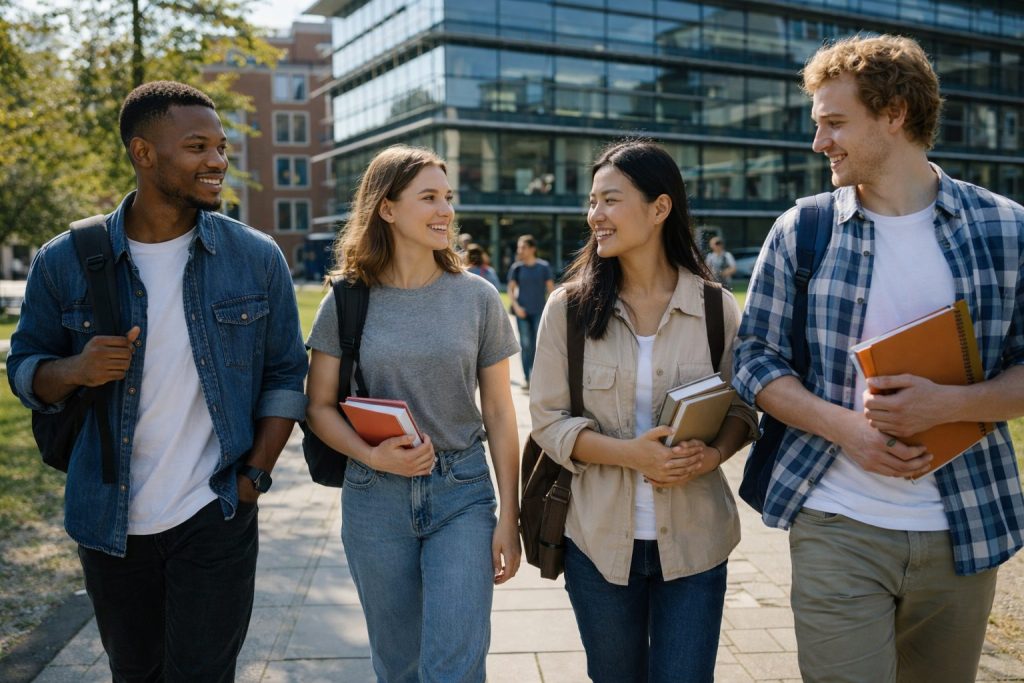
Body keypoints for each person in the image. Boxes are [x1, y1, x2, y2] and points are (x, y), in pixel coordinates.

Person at [733, 35, 1024, 683]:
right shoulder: (802, 230)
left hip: (965, 526)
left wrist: (952, 405)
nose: (820, 143)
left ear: (894, 113)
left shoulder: (1007, 230)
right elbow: (753, 359)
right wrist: (849, 431)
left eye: (835, 123)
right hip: (836, 522)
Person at [6, 81, 309, 681]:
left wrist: (253, 477)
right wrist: (75, 369)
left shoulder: (255, 257)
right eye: (198, 147)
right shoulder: (64, 260)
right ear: (143, 153)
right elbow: (24, 370)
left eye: (221, 147)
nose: (218, 161)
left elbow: (284, 373)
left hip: (216, 510)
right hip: (109, 519)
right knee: (135, 673)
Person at [529, 140, 758, 683]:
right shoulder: (568, 310)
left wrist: (713, 455)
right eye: (592, 202)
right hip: (598, 545)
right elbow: (547, 421)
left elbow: (744, 406)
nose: (595, 215)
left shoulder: (714, 307)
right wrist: (633, 455)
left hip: (697, 543)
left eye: (610, 200)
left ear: (660, 208)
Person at [304, 145, 522, 682]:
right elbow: (319, 406)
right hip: (374, 497)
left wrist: (510, 516)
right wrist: (372, 455)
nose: (446, 210)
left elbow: (499, 412)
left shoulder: (477, 298)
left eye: (447, 197)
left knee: (455, 666)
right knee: (399, 666)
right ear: (387, 208)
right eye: (429, 198)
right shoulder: (346, 299)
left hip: (462, 492)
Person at [506, 234, 554, 390]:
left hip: (539, 312)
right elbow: (511, 290)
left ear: (533, 249)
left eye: (523, 247)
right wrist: (516, 307)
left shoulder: (544, 267)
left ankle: (537, 378)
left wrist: (551, 310)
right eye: (519, 247)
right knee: (526, 345)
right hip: (522, 313)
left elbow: (551, 291)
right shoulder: (517, 268)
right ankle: (527, 378)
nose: (520, 250)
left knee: (538, 345)